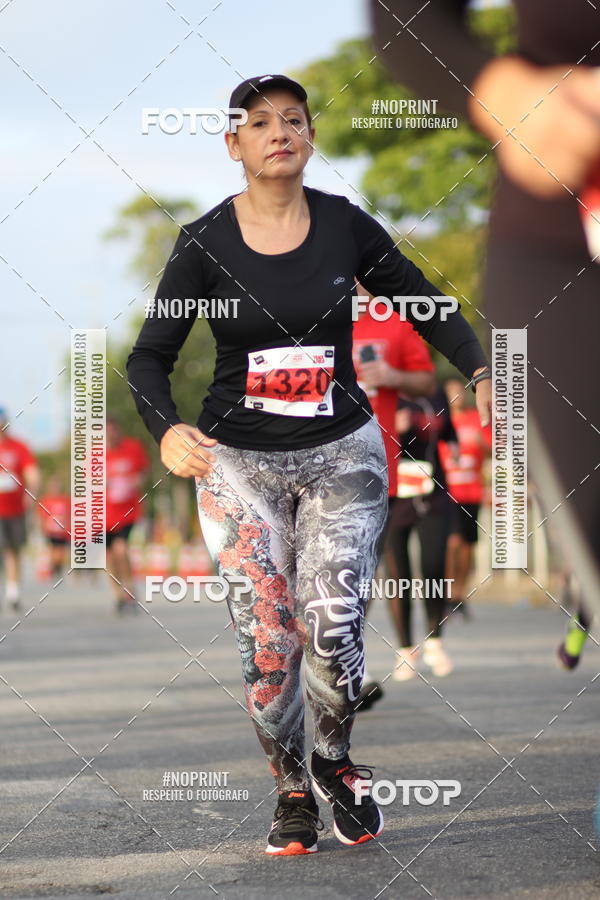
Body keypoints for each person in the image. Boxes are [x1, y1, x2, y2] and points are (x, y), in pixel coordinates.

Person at [127, 73, 491, 856]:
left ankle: (336, 762)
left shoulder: (344, 225)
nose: (279, 132)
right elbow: (149, 357)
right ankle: (292, 790)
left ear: (311, 137)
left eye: (294, 119)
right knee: (269, 642)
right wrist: (165, 430)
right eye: (260, 124)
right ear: (234, 144)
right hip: (239, 465)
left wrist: (483, 367)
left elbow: (423, 301)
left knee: (331, 624)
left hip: (342, 454)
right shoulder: (203, 244)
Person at [369, 0, 600, 623]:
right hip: (566, 234)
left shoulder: (403, 330)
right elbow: (407, 16)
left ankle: (441, 617)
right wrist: (500, 89)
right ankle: (424, 633)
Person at [352, 284, 435, 710]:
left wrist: (395, 378)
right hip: (301, 461)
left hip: (371, 467)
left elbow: (427, 379)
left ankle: (350, 670)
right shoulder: (300, 309)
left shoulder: (393, 322)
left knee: (354, 570)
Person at [384, 385, 458, 680]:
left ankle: (435, 641)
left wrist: (454, 445)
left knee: (434, 566)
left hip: (433, 493)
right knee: (397, 575)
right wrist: (391, 429)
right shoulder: (384, 393)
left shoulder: (436, 394)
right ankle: (404, 649)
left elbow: (449, 428)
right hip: (394, 496)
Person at [440, 377, 492, 620]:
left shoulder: (475, 419)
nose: (455, 397)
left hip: (472, 492)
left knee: (468, 545)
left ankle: (460, 593)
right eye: (450, 393)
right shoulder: (440, 421)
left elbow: (495, 448)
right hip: (447, 493)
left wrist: (481, 443)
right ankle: (447, 595)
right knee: (452, 541)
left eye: (458, 392)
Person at [105, 417, 150, 614]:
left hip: (127, 512)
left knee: (121, 550)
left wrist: (136, 481)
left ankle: (130, 590)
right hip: (103, 513)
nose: (111, 435)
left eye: (114, 430)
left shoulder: (132, 448)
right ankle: (117, 594)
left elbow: (144, 472)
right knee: (109, 556)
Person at [0, 407, 39, 612]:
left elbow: (31, 472)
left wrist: (31, 493)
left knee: (12, 549)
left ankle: (13, 591)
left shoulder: (18, 447)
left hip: (14, 509)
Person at [37, 475, 70, 577]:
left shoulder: (66, 500)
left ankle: (58, 568)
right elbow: (41, 516)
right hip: (50, 531)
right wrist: (42, 528)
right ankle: (53, 569)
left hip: (62, 531)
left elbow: (70, 516)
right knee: (52, 551)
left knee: (60, 552)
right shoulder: (46, 500)